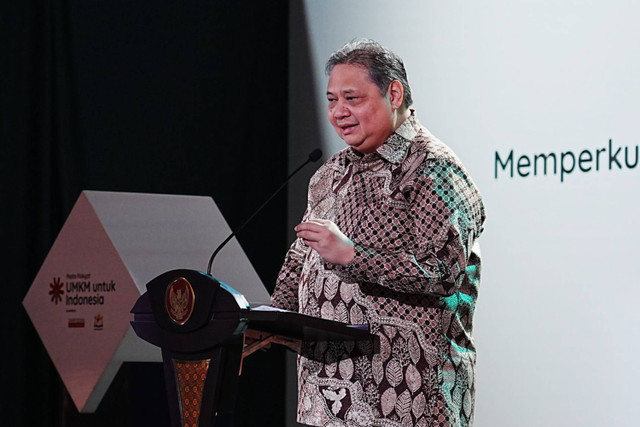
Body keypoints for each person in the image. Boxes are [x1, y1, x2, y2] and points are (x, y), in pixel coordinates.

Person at [271, 39, 485, 427]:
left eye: (352, 98)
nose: (339, 112)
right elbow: (302, 256)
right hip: (327, 399)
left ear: (395, 93)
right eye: (332, 100)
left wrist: (354, 256)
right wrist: (270, 319)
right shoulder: (328, 175)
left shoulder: (435, 169)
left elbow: (443, 271)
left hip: (409, 400)